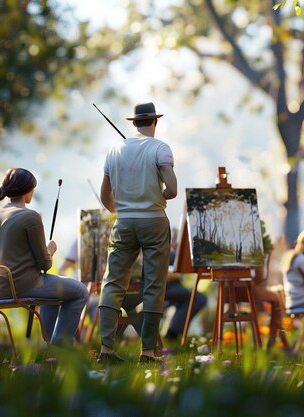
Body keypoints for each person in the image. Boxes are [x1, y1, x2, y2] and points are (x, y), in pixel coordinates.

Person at [97, 102, 177, 364]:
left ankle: (106, 350)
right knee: (153, 285)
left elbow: (105, 194)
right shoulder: (160, 148)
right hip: (153, 221)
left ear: (133, 123)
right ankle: (148, 352)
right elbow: (173, 188)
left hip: (124, 223)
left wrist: (118, 210)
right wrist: (163, 194)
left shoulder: (114, 150)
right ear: (155, 121)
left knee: (113, 282)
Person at [0, 168, 88, 345]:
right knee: (80, 291)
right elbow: (45, 264)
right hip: (24, 286)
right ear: (27, 190)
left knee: (55, 291)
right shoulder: (30, 216)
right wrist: (50, 248)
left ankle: (49, 348)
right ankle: (61, 347)